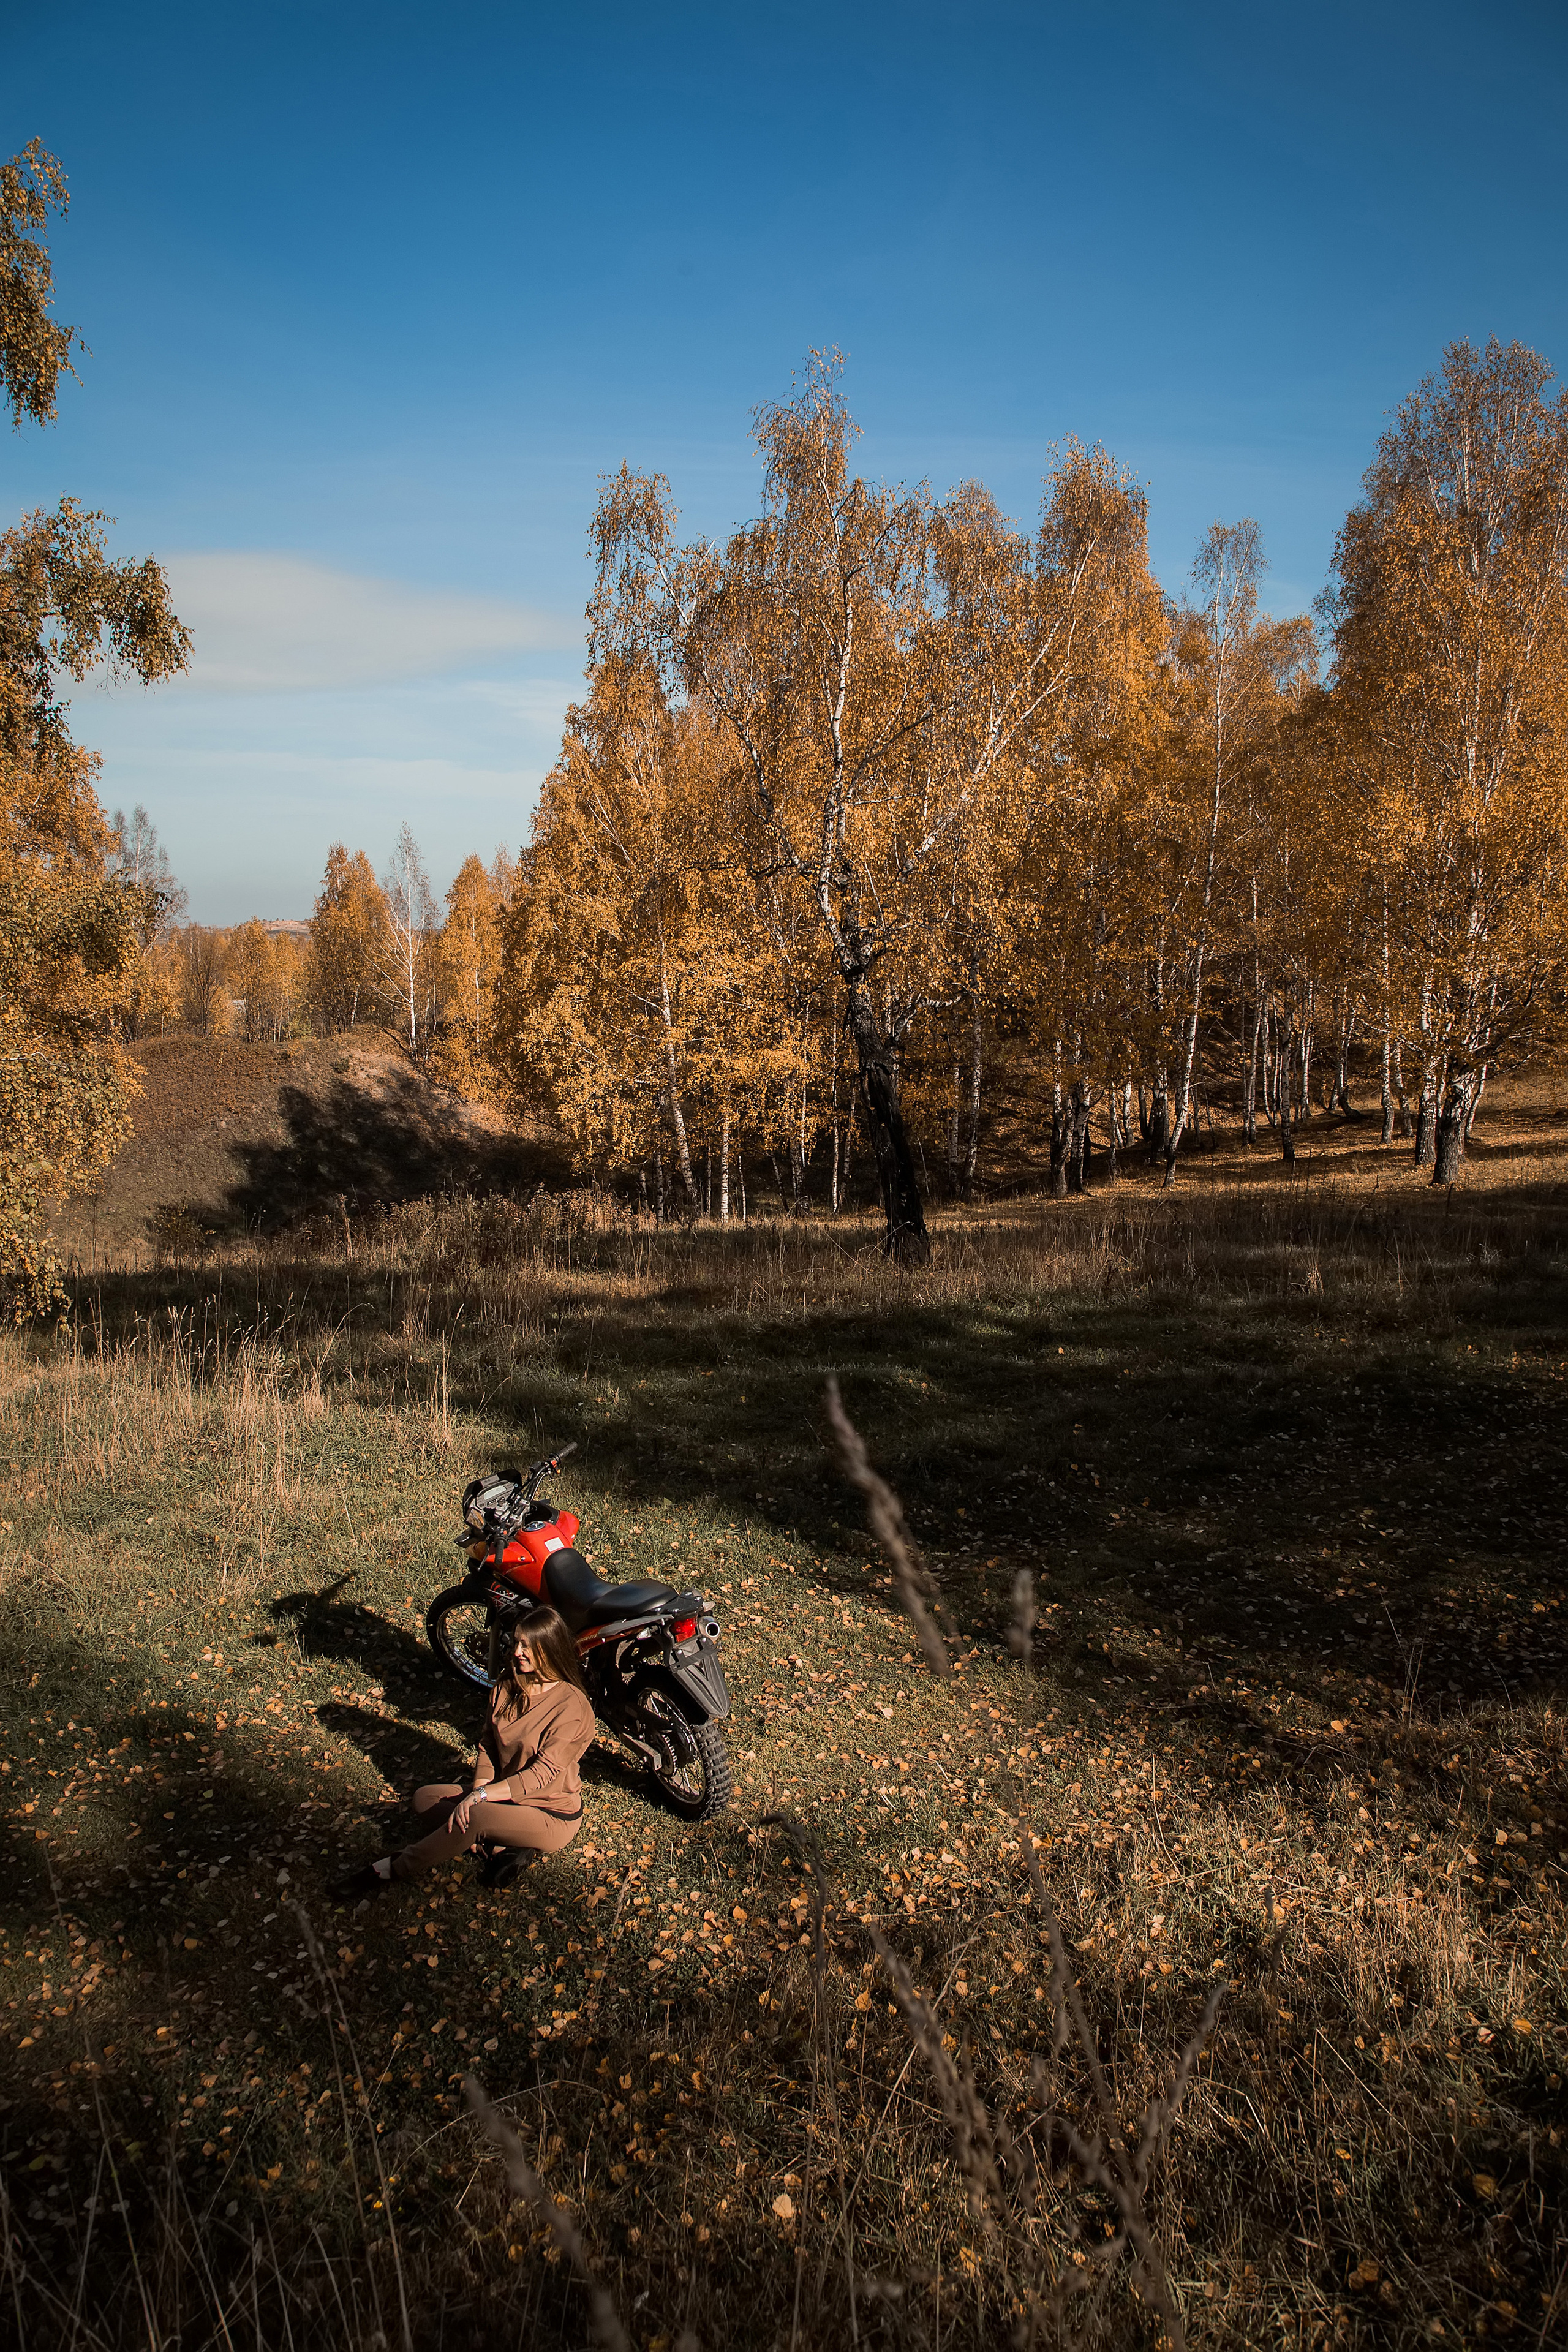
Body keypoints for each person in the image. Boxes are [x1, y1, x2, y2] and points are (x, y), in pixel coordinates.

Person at [333, 1606, 595, 1898]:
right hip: (501, 1796)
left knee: (476, 1819)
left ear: (550, 1649)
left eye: (527, 1646)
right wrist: (480, 1786)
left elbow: (541, 1774)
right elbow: (489, 1742)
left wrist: (480, 1799)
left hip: (550, 1812)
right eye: (517, 1641)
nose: (518, 1651)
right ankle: (502, 1848)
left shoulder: (571, 1707)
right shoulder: (509, 1683)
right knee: (425, 1799)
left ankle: (391, 1868)